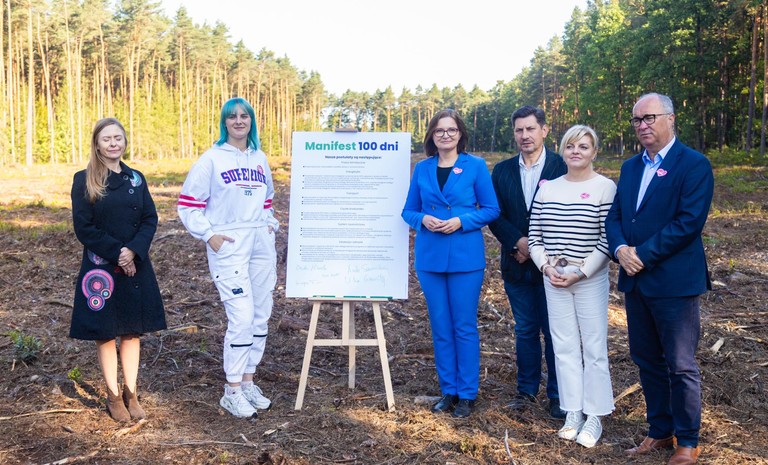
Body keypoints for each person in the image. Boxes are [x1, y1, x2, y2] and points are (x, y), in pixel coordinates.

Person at [606, 93, 713, 465]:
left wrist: (641, 254)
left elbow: (689, 222)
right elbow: (615, 217)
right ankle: (660, 430)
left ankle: (688, 440)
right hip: (636, 280)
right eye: (637, 120)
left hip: (674, 282)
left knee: (680, 364)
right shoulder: (631, 167)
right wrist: (620, 249)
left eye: (649, 117)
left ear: (670, 118)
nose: (642, 125)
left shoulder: (694, 164)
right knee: (647, 359)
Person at [178, 97, 278, 419]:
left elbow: (267, 200)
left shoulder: (259, 158)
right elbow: (188, 205)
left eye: (244, 116)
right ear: (224, 123)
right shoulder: (211, 159)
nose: (238, 121)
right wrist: (210, 235)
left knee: (260, 315)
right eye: (232, 116)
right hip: (230, 243)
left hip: (259, 241)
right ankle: (232, 389)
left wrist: (269, 224)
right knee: (242, 317)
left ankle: (248, 381)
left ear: (251, 121)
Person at [402, 109, 500, 418]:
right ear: (432, 135)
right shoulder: (422, 168)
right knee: (441, 325)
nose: (445, 134)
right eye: (439, 130)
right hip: (430, 258)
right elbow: (408, 210)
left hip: (465, 257)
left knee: (464, 325)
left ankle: (467, 393)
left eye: (451, 130)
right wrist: (423, 219)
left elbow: (491, 209)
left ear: (460, 134)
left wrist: (461, 221)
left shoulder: (476, 166)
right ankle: (449, 391)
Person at [70, 118, 166, 422]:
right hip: (101, 269)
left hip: (135, 265)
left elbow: (150, 218)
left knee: (132, 331)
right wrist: (118, 253)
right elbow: (84, 228)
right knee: (106, 332)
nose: (113, 143)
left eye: (118, 138)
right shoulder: (84, 179)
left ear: (124, 141)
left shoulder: (136, 178)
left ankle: (131, 393)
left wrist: (133, 251)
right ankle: (113, 396)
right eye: (106, 139)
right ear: (97, 144)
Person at [528, 125, 616, 448]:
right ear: (563, 151)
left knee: (593, 347)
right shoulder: (547, 189)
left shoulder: (605, 188)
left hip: (588, 279)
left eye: (583, 146)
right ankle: (573, 411)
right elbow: (534, 237)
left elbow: (607, 240)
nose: (576, 151)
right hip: (554, 278)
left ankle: (595, 415)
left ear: (594, 152)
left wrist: (580, 272)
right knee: (564, 346)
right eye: (570, 146)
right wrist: (546, 266)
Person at [488, 106, 567, 419]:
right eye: (519, 130)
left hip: (554, 266)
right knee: (525, 330)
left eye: (531, 129)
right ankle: (526, 392)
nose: (525, 135)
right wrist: (518, 242)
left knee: (555, 331)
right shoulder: (502, 171)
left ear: (544, 130)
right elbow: (495, 214)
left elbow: (569, 215)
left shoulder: (562, 166)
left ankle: (559, 395)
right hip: (516, 264)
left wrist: (536, 249)